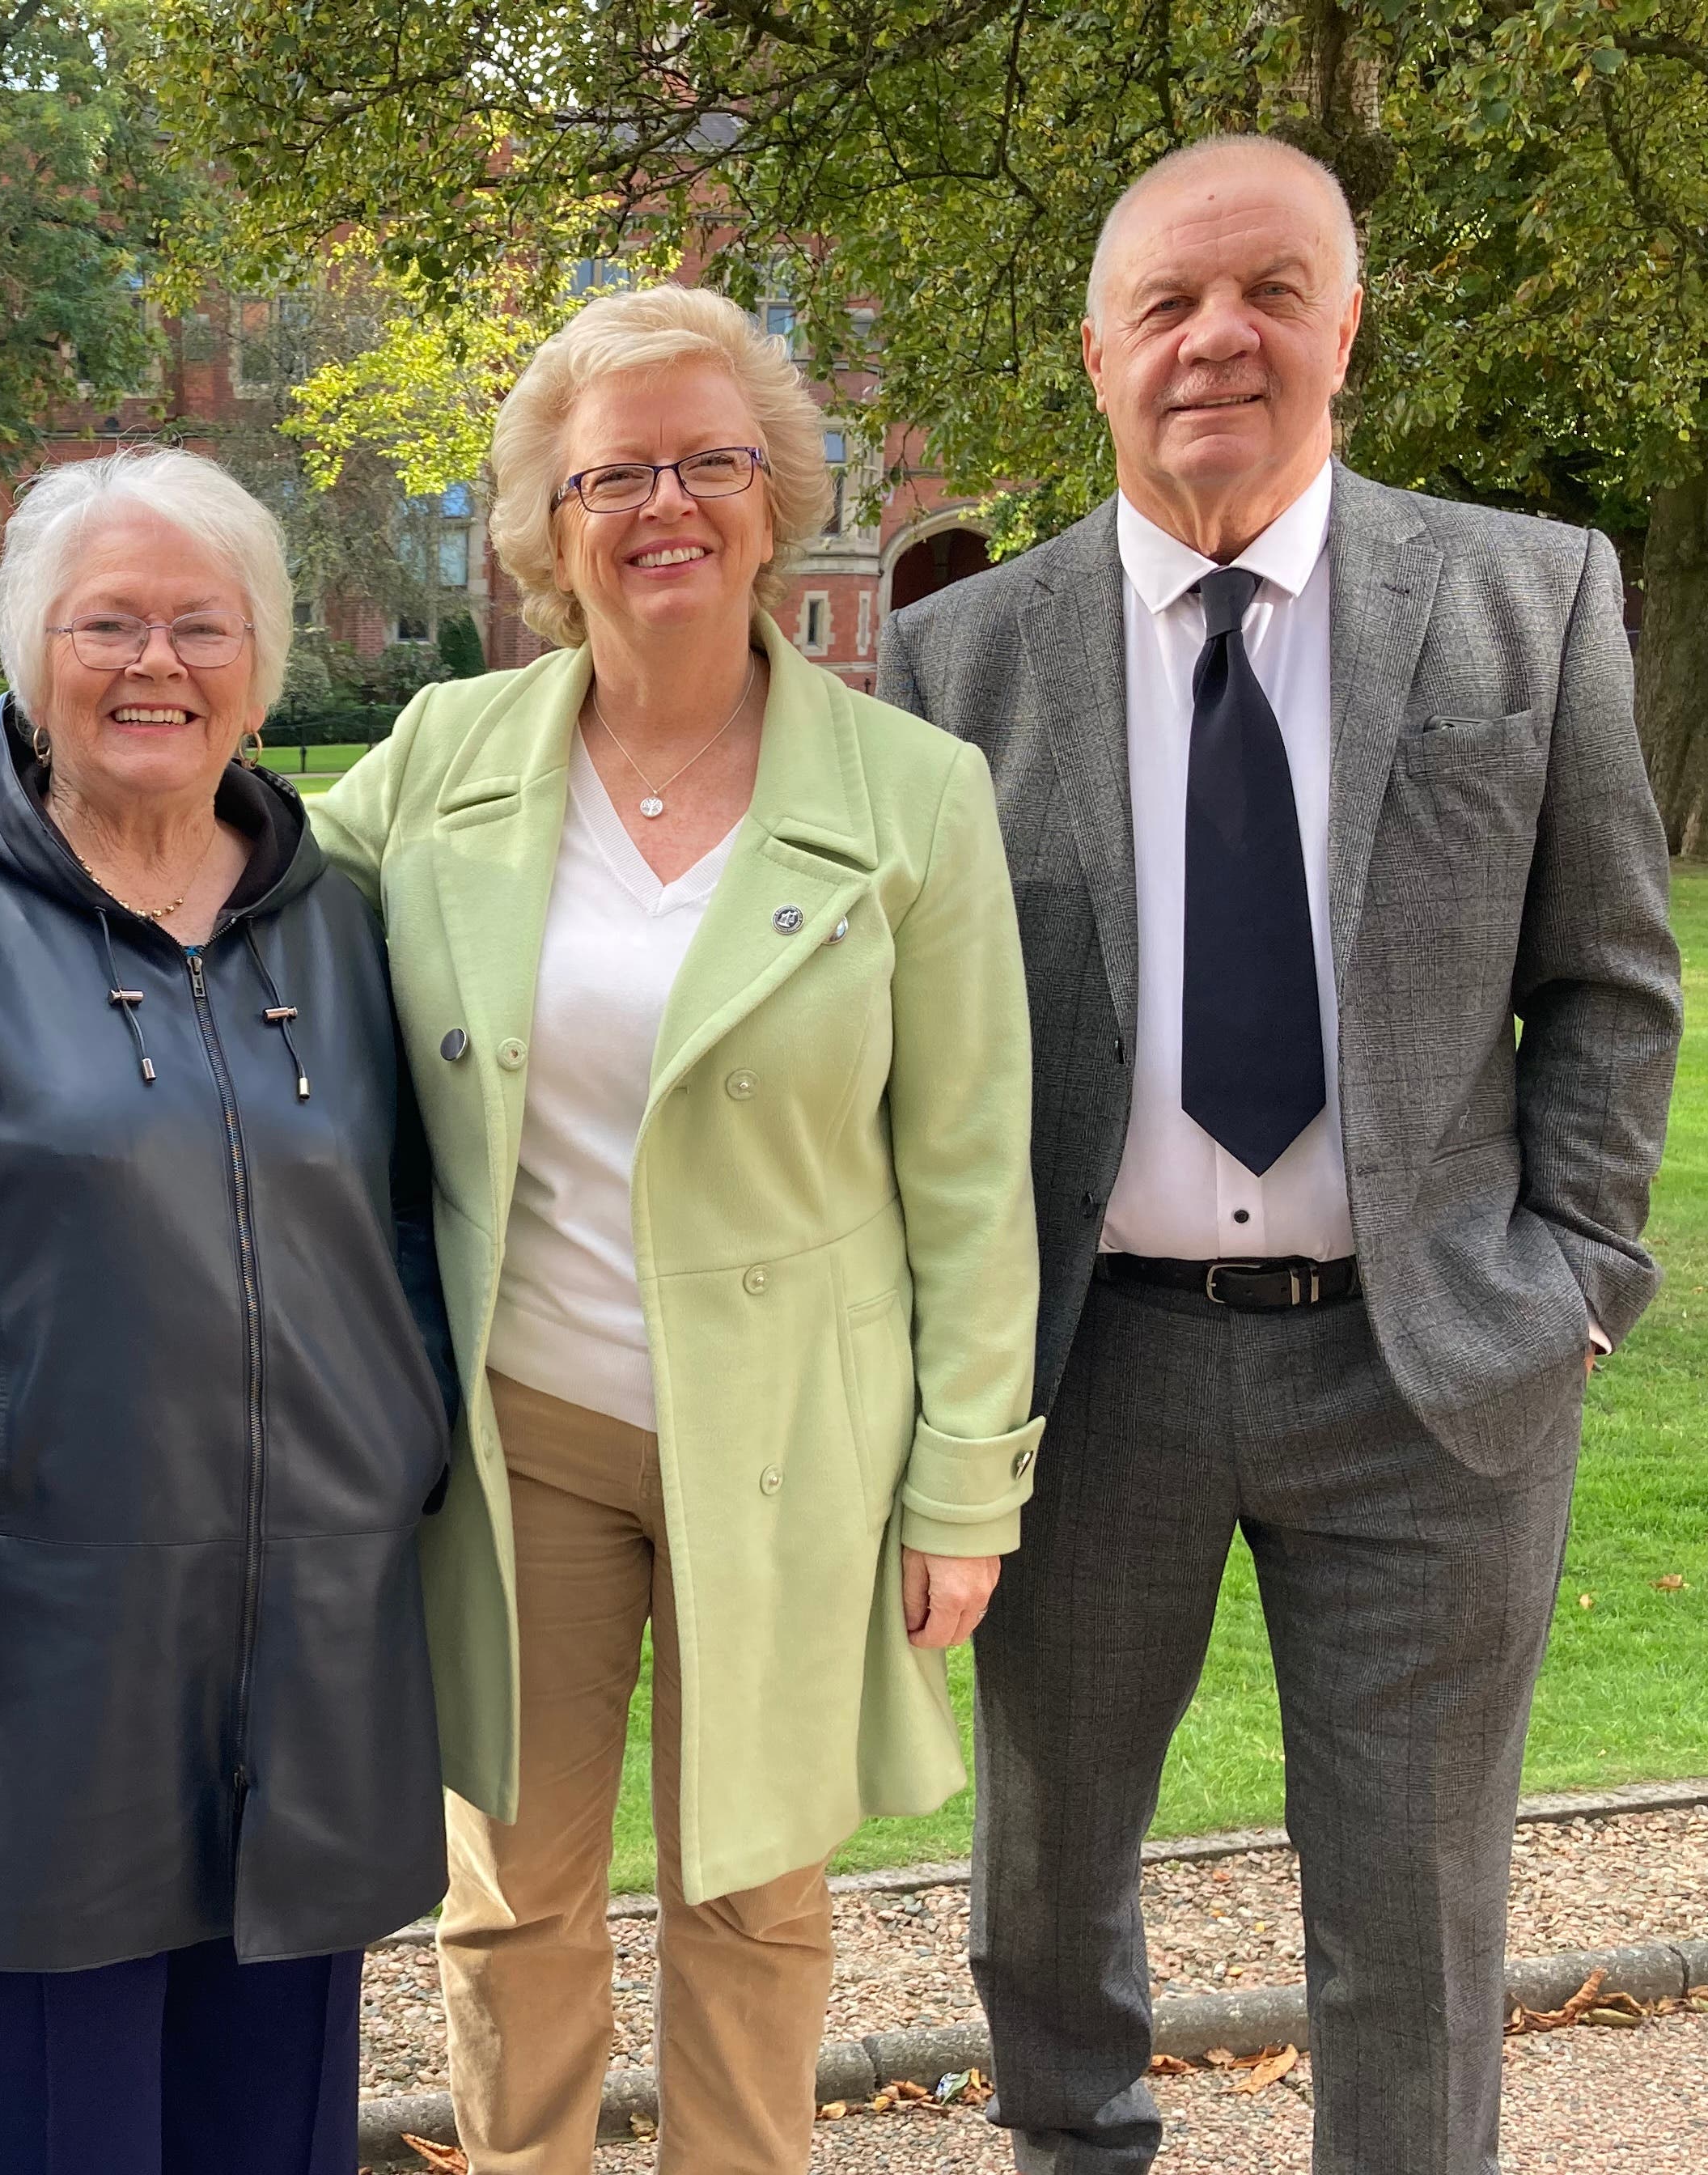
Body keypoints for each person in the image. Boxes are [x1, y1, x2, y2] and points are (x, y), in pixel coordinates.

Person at [876, 135, 1680, 2175]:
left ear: (1346, 325)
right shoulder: (960, 663)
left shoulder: (1526, 595)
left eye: (1268, 290)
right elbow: (909, 1047)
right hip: (1095, 1370)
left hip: (1428, 1374)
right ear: (1094, 354)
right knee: (1047, 1899)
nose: (1216, 336)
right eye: (1166, 301)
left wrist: (1578, 1277)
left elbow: (1608, 980)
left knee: (1413, 1922)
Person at [321, 285, 1041, 2173]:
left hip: (794, 1437)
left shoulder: (914, 796)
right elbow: (214, 888)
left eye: (710, 460)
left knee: (755, 1901)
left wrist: (967, 1482)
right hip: (522, 1428)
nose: (665, 505)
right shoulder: (440, 759)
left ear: (775, 492)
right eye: (612, 471)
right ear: (549, 522)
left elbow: (970, 1167)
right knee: (512, 1894)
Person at [0, 447, 458, 2175]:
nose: (155, 664)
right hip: (29, 1649)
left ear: (262, 665)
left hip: (310, 1644)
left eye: (202, 625)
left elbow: (411, 1211)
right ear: (31, 651)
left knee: (273, 2130)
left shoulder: (339, 924)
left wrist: (402, 1425)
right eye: (106, 621)